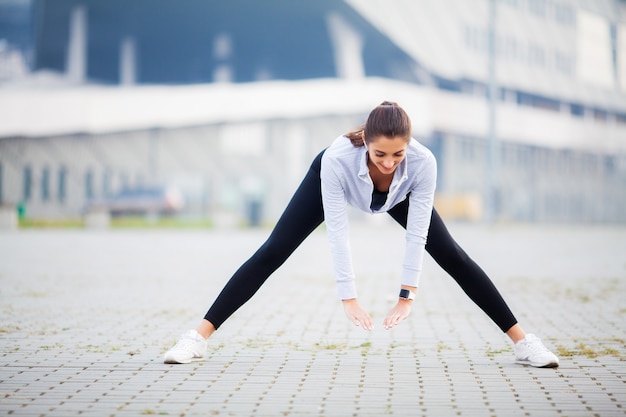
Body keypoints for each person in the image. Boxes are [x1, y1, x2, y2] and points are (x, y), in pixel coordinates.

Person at [163, 101, 559, 368]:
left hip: (399, 199)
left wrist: (407, 295)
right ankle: (196, 337)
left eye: (398, 154)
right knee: (273, 251)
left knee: (453, 255)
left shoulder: (422, 164)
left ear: (409, 147)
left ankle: (524, 342)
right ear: (365, 142)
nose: (388, 164)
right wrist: (348, 297)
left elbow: (417, 235)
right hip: (332, 183)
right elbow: (338, 232)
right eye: (379, 154)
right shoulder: (338, 160)